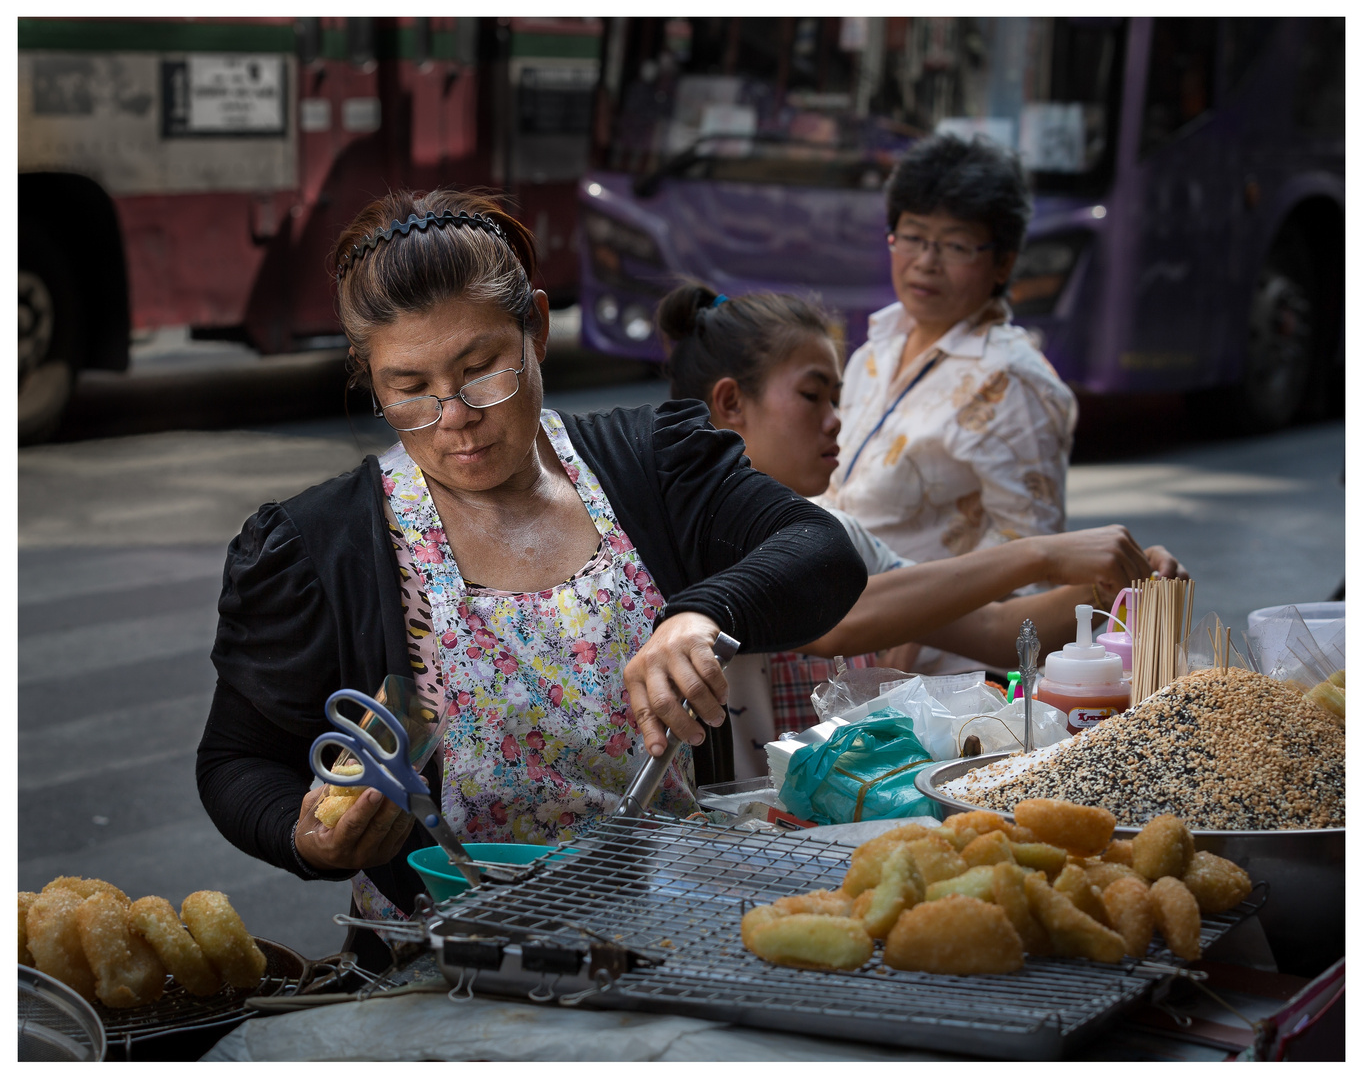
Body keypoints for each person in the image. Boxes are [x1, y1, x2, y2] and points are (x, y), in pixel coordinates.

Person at [196, 191, 867, 969]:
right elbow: (235, 760)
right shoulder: (321, 546)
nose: (454, 416)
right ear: (370, 378)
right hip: (441, 979)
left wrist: (698, 615)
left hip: (669, 944)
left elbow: (822, 551)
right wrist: (306, 835)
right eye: (409, 388)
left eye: (480, 369)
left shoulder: (649, 465)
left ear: (536, 330)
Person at [658, 283, 1185, 777]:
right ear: (730, 403)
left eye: (838, 399)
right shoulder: (700, 536)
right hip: (734, 840)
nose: (836, 419)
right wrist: (1040, 555)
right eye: (812, 395)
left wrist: (1115, 583)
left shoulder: (839, 532)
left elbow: (996, 631)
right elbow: (836, 618)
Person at [819, 133, 1077, 567]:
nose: (926, 261)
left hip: (927, 631)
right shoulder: (876, 350)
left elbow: (1031, 559)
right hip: (840, 619)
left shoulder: (1012, 379)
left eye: (955, 245)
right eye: (913, 236)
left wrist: (938, 628)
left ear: (1004, 263)